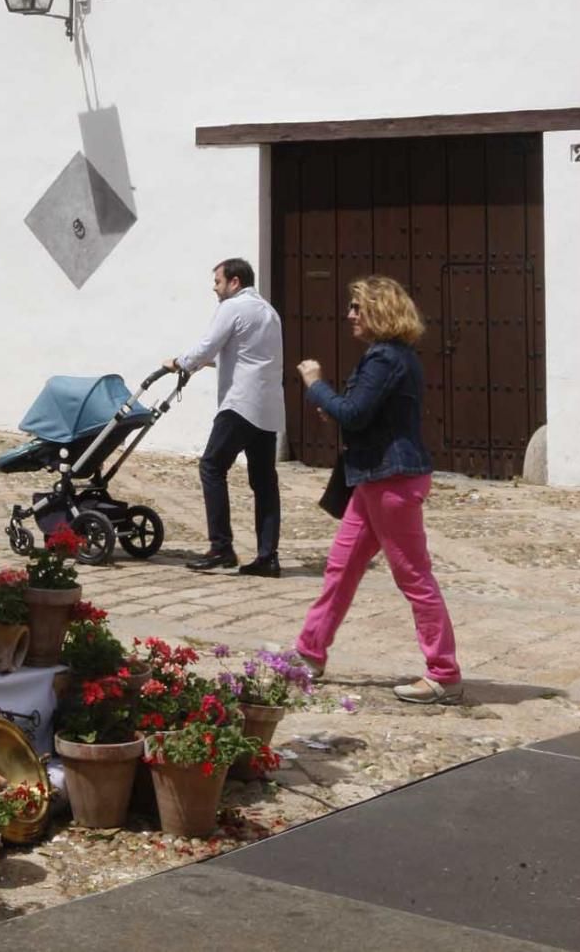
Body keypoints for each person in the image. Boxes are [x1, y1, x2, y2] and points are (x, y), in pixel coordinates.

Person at [294, 275, 462, 705]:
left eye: (357, 307)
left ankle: (443, 672)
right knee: (341, 565)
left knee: (413, 576)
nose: (350, 315)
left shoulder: (385, 358)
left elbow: (353, 413)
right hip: (374, 479)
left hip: (392, 481)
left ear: (379, 311)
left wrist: (315, 384)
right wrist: (338, 410)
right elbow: (365, 415)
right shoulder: (388, 356)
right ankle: (310, 652)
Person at [167, 256, 284, 578]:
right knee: (264, 482)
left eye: (218, 282)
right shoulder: (269, 313)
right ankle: (267, 555)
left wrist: (179, 362)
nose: (215, 289)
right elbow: (249, 357)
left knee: (212, 466)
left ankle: (221, 547)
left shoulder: (232, 308)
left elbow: (207, 346)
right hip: (268, 407)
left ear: (234, 282)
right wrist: (207, 363)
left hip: (239, 404)